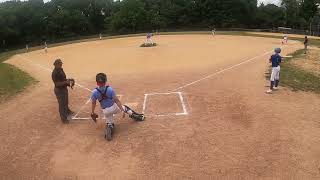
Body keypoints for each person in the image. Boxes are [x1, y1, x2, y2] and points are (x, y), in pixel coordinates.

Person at [91, 73, 145, 141]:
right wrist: (122, 110)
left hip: (105, 111)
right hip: (114, 108)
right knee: (125, 107)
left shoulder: (94, 92)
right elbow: (117, 101)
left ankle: (109, 127)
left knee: (110, 121)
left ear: (97, 83)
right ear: (105, 81)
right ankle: (135, 116)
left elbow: (93, 103)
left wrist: (92, 112)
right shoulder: (110, 89)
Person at [51, 59, 74, 123]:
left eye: (61, 64)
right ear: (56, 65)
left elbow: (63, 79)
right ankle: (63, 118)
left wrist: (69, 81)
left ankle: (67, 111)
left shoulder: (61, 70)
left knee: (66, 101)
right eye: (60, 64)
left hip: (64, 89)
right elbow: (57, 84)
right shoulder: (54, 73)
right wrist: (66, 82)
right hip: (59, 90)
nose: (61, 65)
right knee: (62, 104)